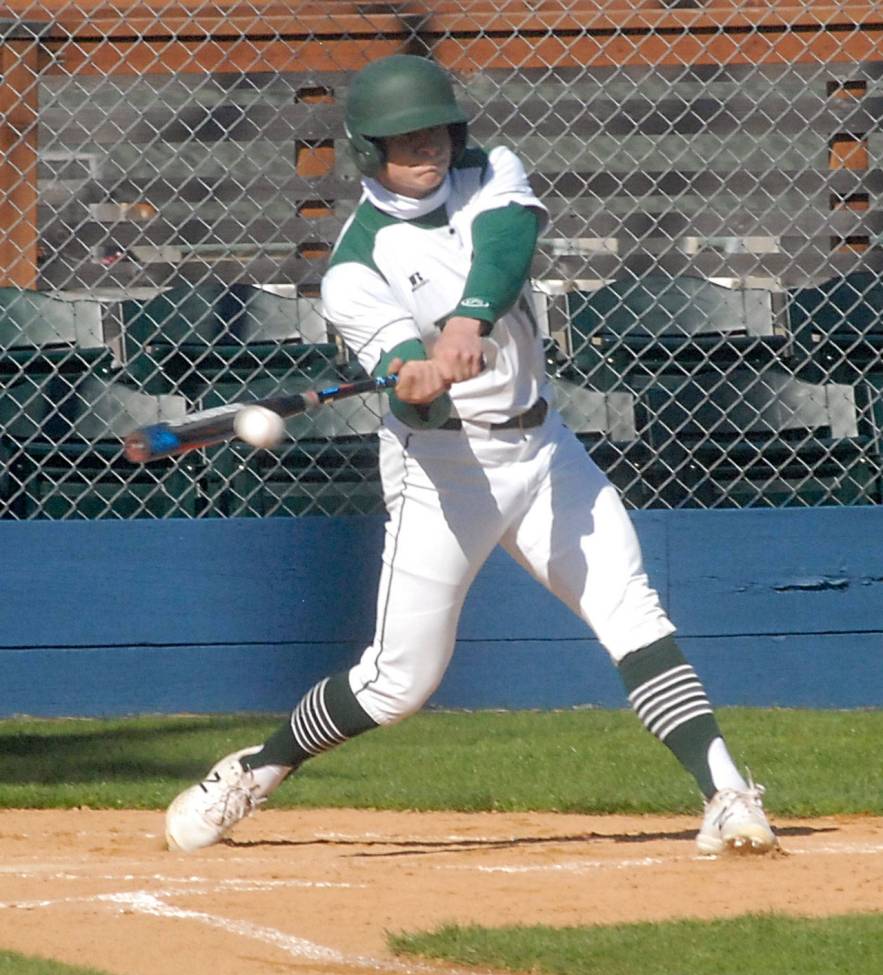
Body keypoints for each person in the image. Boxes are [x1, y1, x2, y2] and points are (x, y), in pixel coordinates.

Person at [164, 54, 777, 858]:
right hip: (443, 472)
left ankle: (727, 793)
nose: (427, 149)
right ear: (368, 152)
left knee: (632, 614)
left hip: (543, 448)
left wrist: (466, 323)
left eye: (436, 130)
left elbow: (506, 243)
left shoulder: (490, 172)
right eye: (404, 139)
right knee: (397, 682)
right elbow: (404, 384)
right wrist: (412, 379)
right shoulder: (354, 269)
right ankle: (257, 767)